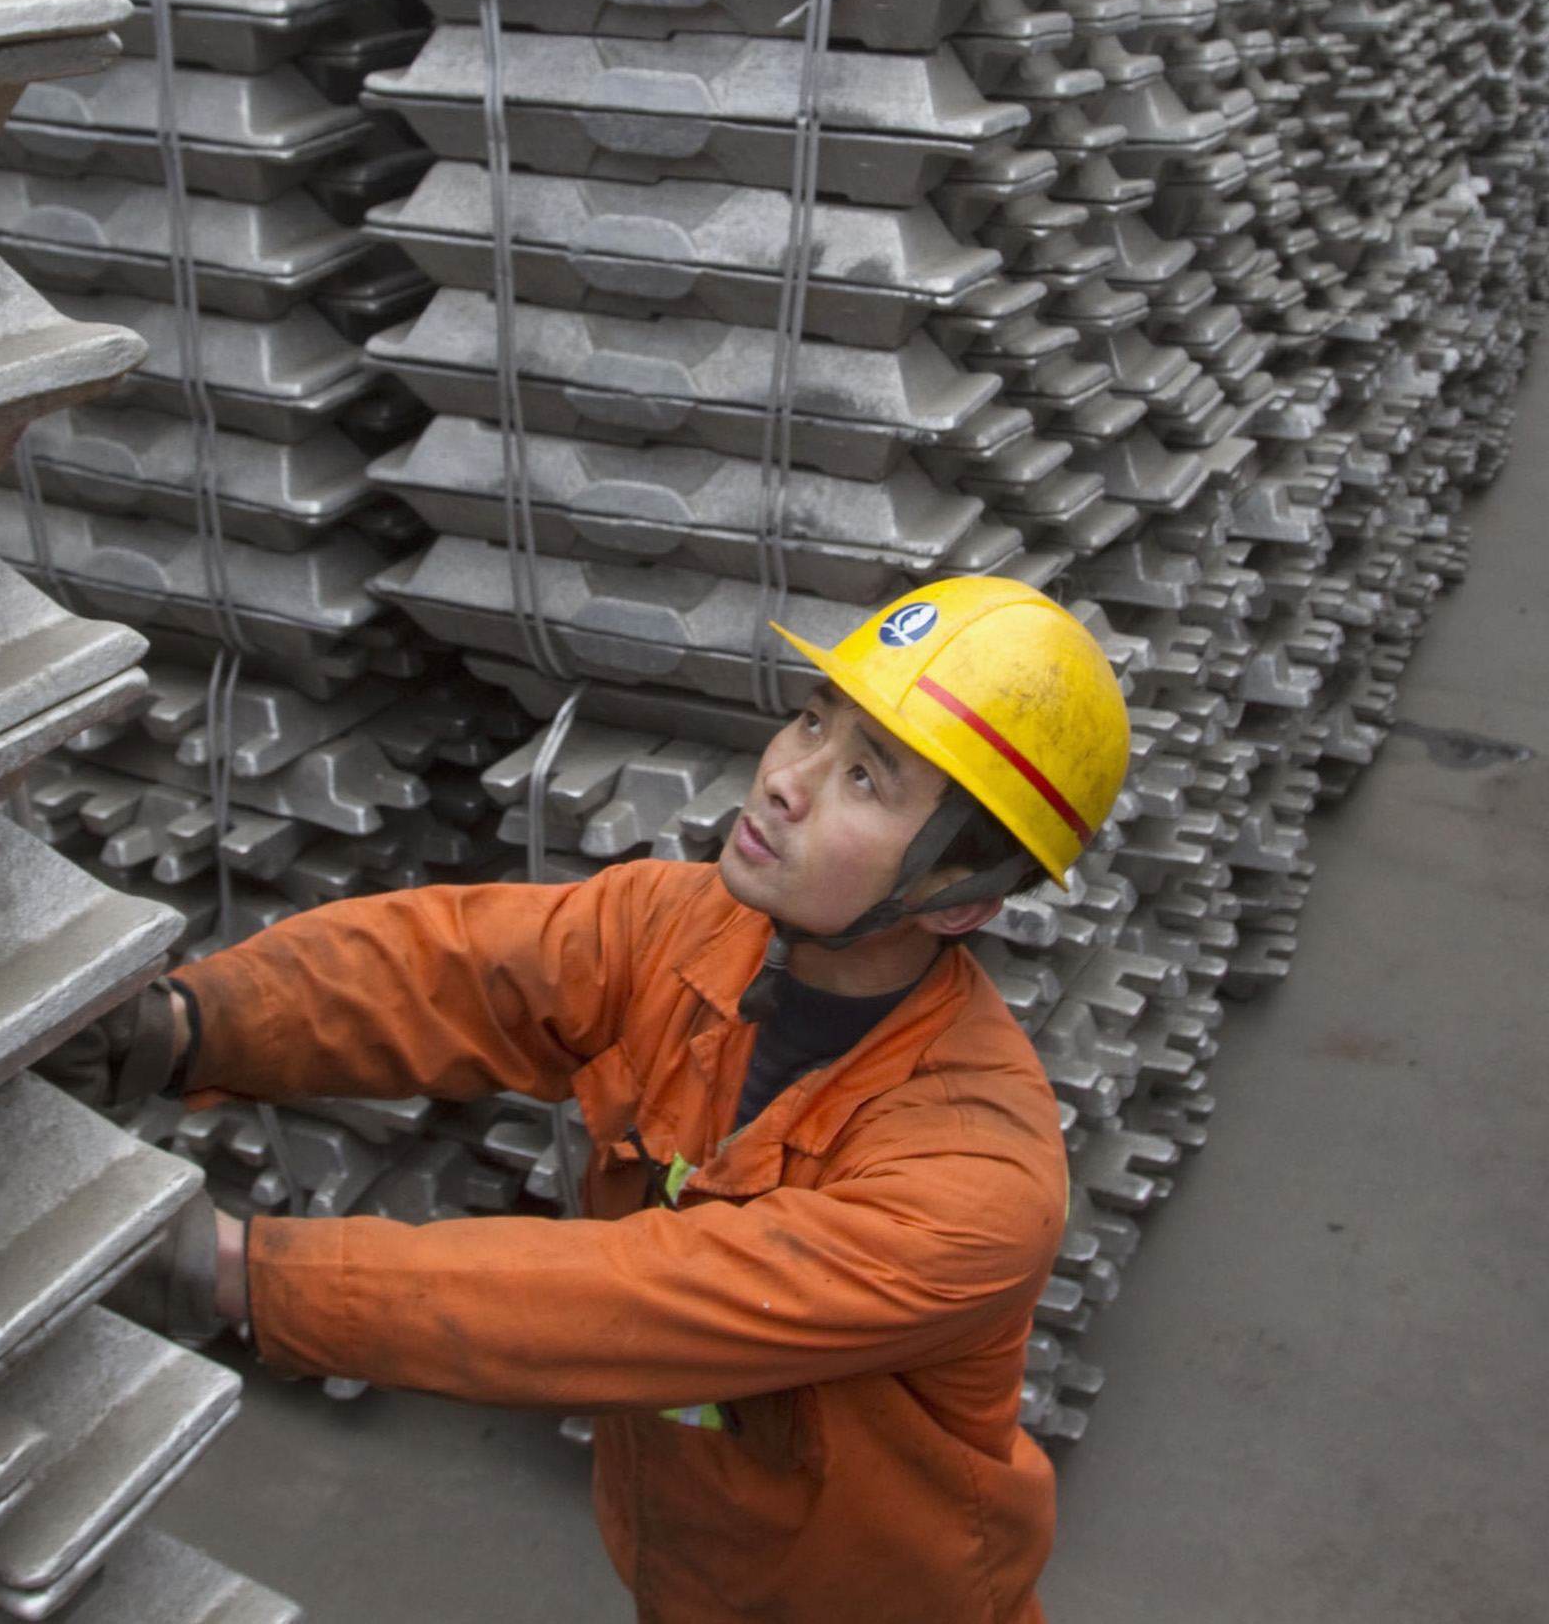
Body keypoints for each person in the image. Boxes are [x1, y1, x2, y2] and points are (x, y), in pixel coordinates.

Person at [64, 575, 1132, 1624]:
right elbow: (448, 968)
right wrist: (183, 1022)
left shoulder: (975, 1180)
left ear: (962, 901)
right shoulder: (684, 928)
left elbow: (630, 1295)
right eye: (812, 720)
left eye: (866, 777)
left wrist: (238, 1273)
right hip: (688, 1552)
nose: (786, 779)